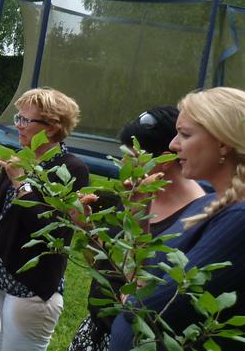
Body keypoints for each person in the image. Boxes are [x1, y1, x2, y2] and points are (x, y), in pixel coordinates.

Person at [109, 87, 245, 351]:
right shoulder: (210, 203)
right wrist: (138, 213)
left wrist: (133, 299)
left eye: (184, 134)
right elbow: (139, 278)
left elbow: (149, 309)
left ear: (222, 142)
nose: (172, 145)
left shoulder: (239, 218)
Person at [68, 106, 208, 351]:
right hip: (97, 329)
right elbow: (103, 266)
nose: (122, 163)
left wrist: (138, 215)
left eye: (130, 158)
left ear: (164, 160)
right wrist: (86, 227)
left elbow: (145, 294)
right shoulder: (135, 194)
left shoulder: (195, 218)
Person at [0, 88, 89, 351]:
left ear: (51, 127)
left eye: (26, 120)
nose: (18, 125)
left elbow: (47, 229)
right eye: (18, 117)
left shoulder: (71, 169)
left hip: (31, 287)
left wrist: (19, 181)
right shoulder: (21, 158)